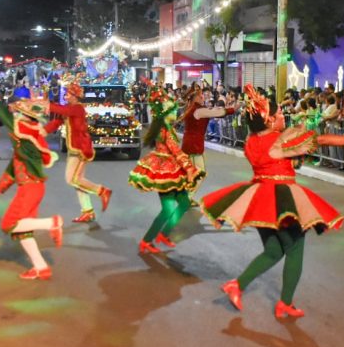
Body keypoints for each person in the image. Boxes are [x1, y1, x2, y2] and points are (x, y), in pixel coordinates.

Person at [201, 84, 344, 319]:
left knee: (273, 251)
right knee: (295, 249)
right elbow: (320, 139)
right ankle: (285, 303)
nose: (282, 115)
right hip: (280, 198)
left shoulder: (251, 141)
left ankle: (237, 285)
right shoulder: (279, 140)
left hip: (259, 198)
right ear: (269, 120)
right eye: (279, 112)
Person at [0, 83, 63, 280]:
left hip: (30, 188)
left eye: (12, 104)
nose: (10, 108)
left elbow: (4, 115)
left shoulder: (22, 127)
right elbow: (14, 166)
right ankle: (41, 267)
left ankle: (52, 223)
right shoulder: (27, 134)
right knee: (23, 232)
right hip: (32, 187)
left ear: (20, 106)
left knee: (8, 224)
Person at [128, 85, 204, 253]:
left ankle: (164, 234)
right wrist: (189, 168)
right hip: (165, 172)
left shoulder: (167, 128)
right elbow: (176, 150)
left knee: (184, 203)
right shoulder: (164, 130)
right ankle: (147, 240)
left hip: (173, 170)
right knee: (168, 209)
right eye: (172, 110)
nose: (175, 113)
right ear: (165, 113)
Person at [43, 81, 112, 224]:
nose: (65, 96)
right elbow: (56, 123)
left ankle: (102, 191)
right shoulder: (69, 108)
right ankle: (88, 211)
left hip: (80, 149)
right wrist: (40, 132)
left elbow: (64, 111)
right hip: (74, 148)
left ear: (75, 96)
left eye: (68, 94)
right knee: (78, 181)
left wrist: (47, 104)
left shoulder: (78, 108)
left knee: (72, 179)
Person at [179, 87, 237, 206]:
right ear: (195, 98)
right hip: (193, 145)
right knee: (200, 173)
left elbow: (213, 111)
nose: (203, 97)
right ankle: (186, 198)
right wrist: (233, 109)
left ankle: (185, 196)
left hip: (189, 143)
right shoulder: (198, 110)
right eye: (200, 95)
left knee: (191, 173)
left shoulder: (191, 108)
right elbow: (217, 113)